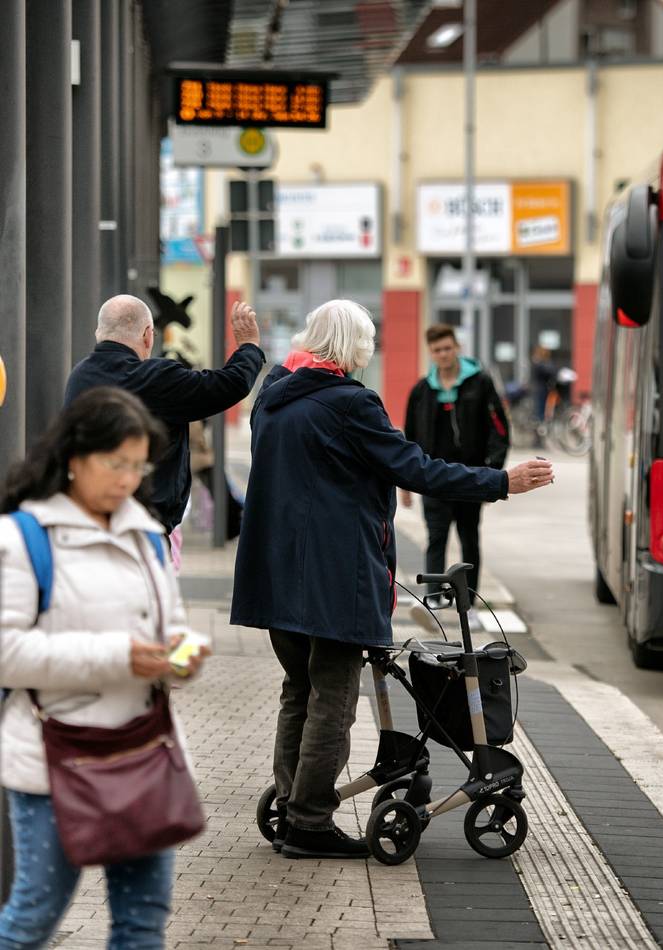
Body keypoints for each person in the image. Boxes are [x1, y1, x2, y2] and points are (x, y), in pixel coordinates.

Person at [230, 300, 553, 860]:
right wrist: (503, 480)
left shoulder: (272, 400)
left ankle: (289, 807)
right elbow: (417, 469)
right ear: (354, 346)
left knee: (297, 692)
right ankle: (308, 822)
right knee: (332, 698)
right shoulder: (350, 404)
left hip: (276, 573)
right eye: (368, 342)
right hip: (333, 578)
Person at [0, 387, 210, 948]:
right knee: (33, 916)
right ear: (74, 457)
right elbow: (7, 653)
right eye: (115, 464)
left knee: (143, 922)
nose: (127, 479)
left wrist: (184, 652)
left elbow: (172, 623)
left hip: (140, 752)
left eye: (138, 466)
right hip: (55, 760)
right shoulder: (23, 537)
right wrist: (119, 657)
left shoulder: (144, 532)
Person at [64, 295, 265, 552]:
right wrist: (249, 346)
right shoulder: (155, 378)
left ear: (98, 333)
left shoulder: (80, 376)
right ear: (148, 335)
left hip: (88, 520)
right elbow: (227, 386)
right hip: (143, 529)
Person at [401, 324, 510, 629]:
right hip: (433, 480)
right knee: (436, 538)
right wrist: (405, 483)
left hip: (471, 479)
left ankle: (469, 604)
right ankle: (433, 600)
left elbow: (500, 430)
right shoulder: (422, 391)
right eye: (437, 350)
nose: (444, 354)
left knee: (469, 539)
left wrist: (493, 474)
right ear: (431, 353)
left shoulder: (480, 383)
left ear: (457, 347)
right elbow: (409, 439)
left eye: (448, 348)